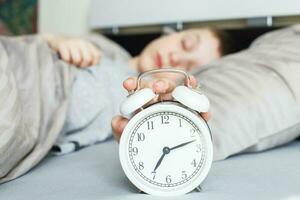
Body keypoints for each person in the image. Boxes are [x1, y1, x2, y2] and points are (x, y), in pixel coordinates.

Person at [42, 27, 228, 154]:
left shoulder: (143, 98)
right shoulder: (102, 44)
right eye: (185, 43)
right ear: (169, 33)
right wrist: (56, 40)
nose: (175, 57)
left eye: (188, 66)